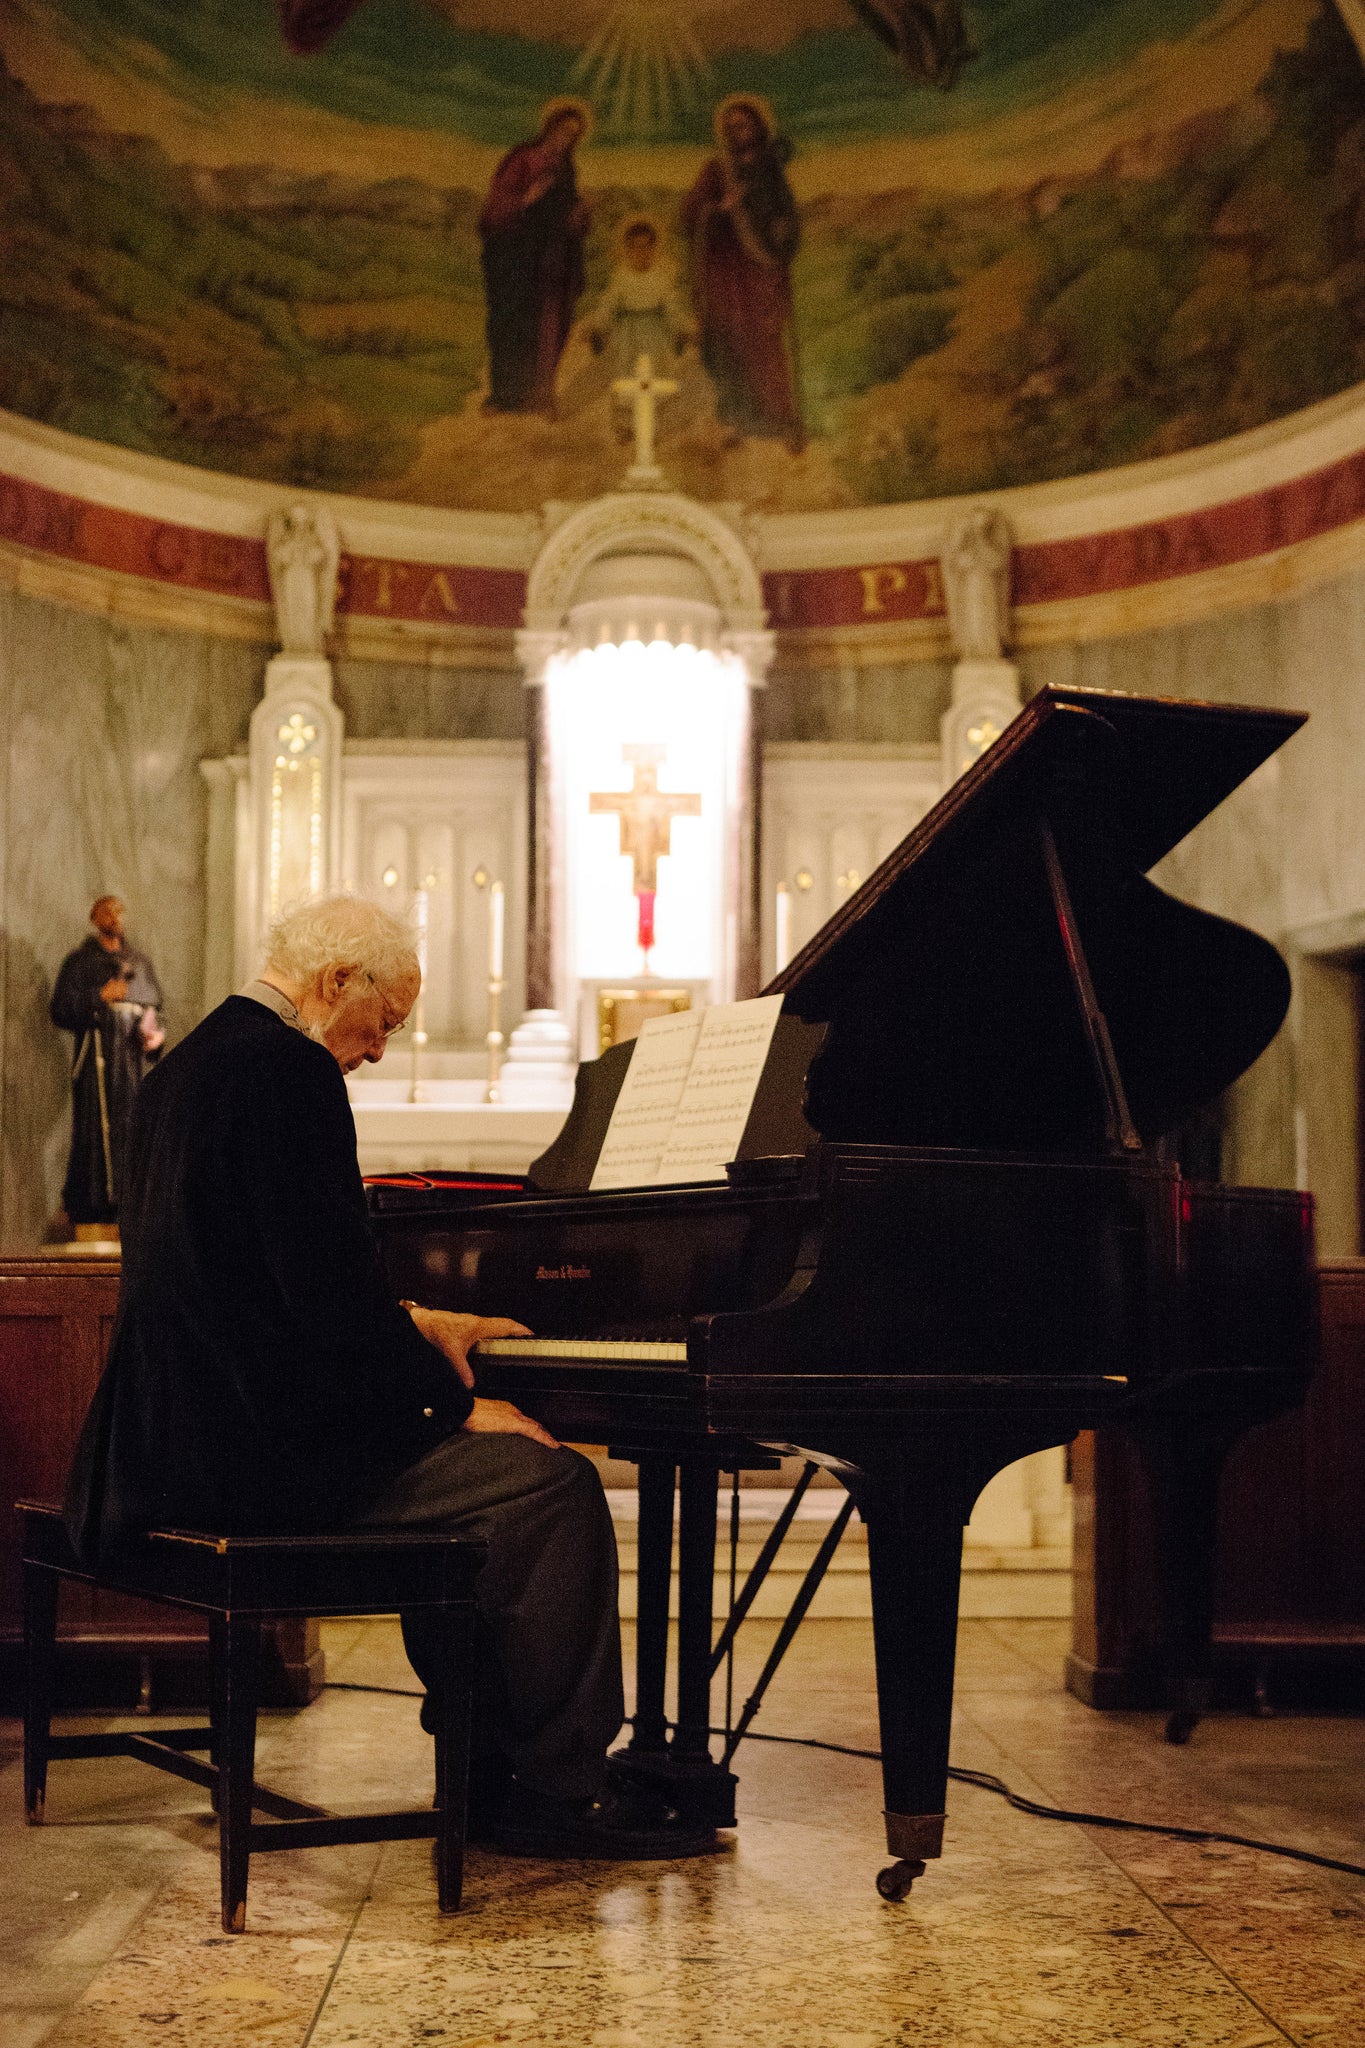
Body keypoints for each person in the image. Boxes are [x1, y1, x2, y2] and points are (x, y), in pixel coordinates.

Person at [64, 894, 711, 1860]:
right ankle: (556, 1790)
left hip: (169, 1439)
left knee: (463, 1484)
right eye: (385, 1024)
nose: (376, 1051)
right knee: (550, 1489)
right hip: (258, 1459)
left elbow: (259, 1280)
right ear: (337, 985)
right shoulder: (290, 1075)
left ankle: (484, 1762)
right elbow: (325, 1313)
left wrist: (410, 1320)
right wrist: (456, 1402)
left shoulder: (185, 1070)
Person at [680, 95, 804, 452]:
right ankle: (741, 420)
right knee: (728, 343)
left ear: (758, 127)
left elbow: (787, 216)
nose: (738, 132)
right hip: (724, 272)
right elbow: (689, 216)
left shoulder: (772, 169)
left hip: (762, 270)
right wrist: (719, 208)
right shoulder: (716, 171)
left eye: (744, 125)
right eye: (731, 127)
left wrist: (783, 233)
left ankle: (779, 420)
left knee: (765, 342)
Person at [50, 896, 165, 1234]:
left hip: (130, 1067)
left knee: (132, 1130)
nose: (115, 917)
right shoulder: (80, 962)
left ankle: (130, 1208)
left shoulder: (139, 962)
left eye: (119, 911)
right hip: (95, 1065)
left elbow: (156, 1011)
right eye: (107, 912)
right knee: (94, 1133)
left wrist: (155, 1036)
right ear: (94, 918)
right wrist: (99, 997)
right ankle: (90, 1208)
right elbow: (60, 1009)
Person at [479, 100, 592, 416]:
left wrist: (579, 215)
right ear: (550, 127)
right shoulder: (522, 159)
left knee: (548, 326)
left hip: (552, 259)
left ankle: (539, 395)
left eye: (574, 135)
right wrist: (526, 199)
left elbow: (565, 218)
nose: (566, 139)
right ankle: (504, 397)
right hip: (516, 257)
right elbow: (494, 210)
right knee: (513, 324)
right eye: (563, 130)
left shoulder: (566, 168)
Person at [585, 217, 694, 386]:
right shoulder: (621, 277)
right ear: (627, 249)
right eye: (635, 247)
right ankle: (629, 404)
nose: (641, 252)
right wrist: (598, 325)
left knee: (656, 368)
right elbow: (608, 304)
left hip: (656, 332)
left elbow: (672, 306)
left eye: (646, 247)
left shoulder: (661, 276)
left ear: (654, 248)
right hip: (628, 333)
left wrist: (683, 327)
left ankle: (655, 403)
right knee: (628, 368)